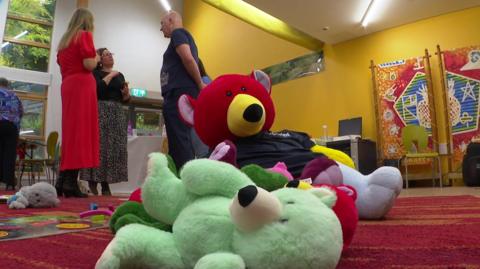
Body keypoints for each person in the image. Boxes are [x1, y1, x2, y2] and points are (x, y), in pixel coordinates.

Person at [56, 8, 100, 198]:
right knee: (80, 132)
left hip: (68, 85)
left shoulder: (63, 43)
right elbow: (89, 65)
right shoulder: (84, 36)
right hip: (82, 85)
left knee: (71, 132)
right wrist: (97, 57)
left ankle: (63, 179)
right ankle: (70, 183)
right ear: (87, 22)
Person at [80, 48, 130, 196]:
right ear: (100, 60)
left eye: (111, 54)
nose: (110, 56)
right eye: (106, 54)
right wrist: (111, 75)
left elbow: (125, 99)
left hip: (116, 112)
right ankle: (94, 181)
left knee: (113, 148)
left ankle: (106, 182)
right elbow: (98, 90)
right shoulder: (95, 74)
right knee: (100, 148)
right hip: (100, 111)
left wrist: (126, 94)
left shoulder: (120, 75)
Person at [160, 10, 206, 169]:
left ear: (171, 20)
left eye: (162, 23)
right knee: (178, 139)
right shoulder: (183, 36)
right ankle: (181, 176)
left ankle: (184, 178)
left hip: (178, 92)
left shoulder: (178, 33)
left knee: (180, 139)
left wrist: (200, 83)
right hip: (177, 92)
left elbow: (188, 58)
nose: (161, 28)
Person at [0, 78, 23, 190]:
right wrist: (17, 131)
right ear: (7, 85)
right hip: (11, 126)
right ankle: (9, 182)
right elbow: (20, 112)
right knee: (10, 154)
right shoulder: (14, 95)